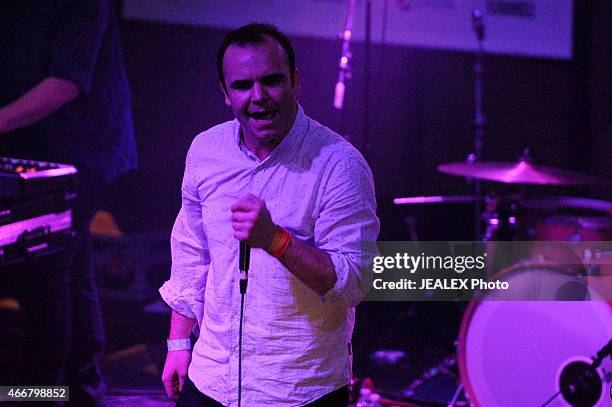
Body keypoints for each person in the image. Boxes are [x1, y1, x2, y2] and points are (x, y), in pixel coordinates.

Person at [160, 23, 379, 406]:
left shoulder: (339, 165)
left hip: (298, 390)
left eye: (272, 81)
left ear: (296, 81)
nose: (258, 97)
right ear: (226, 94)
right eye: (243, 86)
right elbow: (191, 252)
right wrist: (178, 343)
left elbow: (353, 283)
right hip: (211, 378)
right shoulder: (205, 150)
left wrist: (275, 240)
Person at [0, 1, 137, 405]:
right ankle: (81, 390)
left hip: (82, 151)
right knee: (70, 270)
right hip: (36, 145)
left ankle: (39, 395)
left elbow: (66, 83)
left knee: (45, 270)